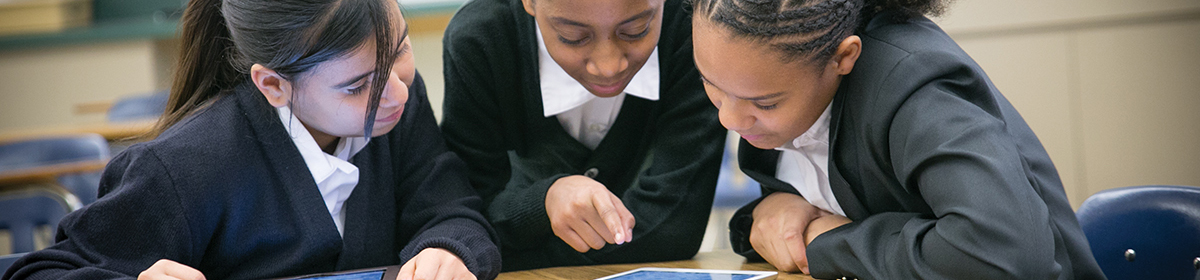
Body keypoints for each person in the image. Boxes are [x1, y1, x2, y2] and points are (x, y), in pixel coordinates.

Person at [2, 0, 500, 279]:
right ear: (274, 86)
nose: (395, 90)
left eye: (403, 48)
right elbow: (39, 275)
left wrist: (449, 249)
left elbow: (451, 208)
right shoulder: (184, 167)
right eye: (357, 85)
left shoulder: (398, 106)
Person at [689, 0, 1107, 279]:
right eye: (712, 86)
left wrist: (827, 244)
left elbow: (1004, 253)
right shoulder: (770, 84)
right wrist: (770, 211)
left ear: (843, 57)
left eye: (764, 102)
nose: (728, 117)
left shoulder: (916, 86)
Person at [440, 0, 727, 271]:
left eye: (636, 30)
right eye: (573, 36)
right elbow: (466, 218)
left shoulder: (697, 28)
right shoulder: (480, 40)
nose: (608, 66)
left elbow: (673, 230)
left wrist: (504, 250)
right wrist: (543, 203)